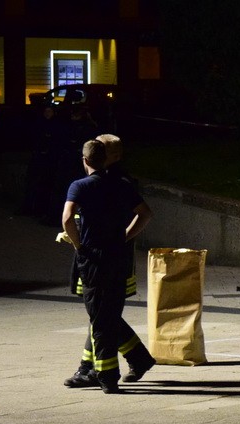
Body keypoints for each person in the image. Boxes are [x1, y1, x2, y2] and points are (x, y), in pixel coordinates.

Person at [63, 134, 156, 388]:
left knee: (103, 316)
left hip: (95, 257)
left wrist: (77, 242)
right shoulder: (121, 181)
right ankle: (121, 362)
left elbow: (69, 217)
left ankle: (102, 371)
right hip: (115, 255)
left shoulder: (93, 183)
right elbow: (143, 213)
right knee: (103, 314)